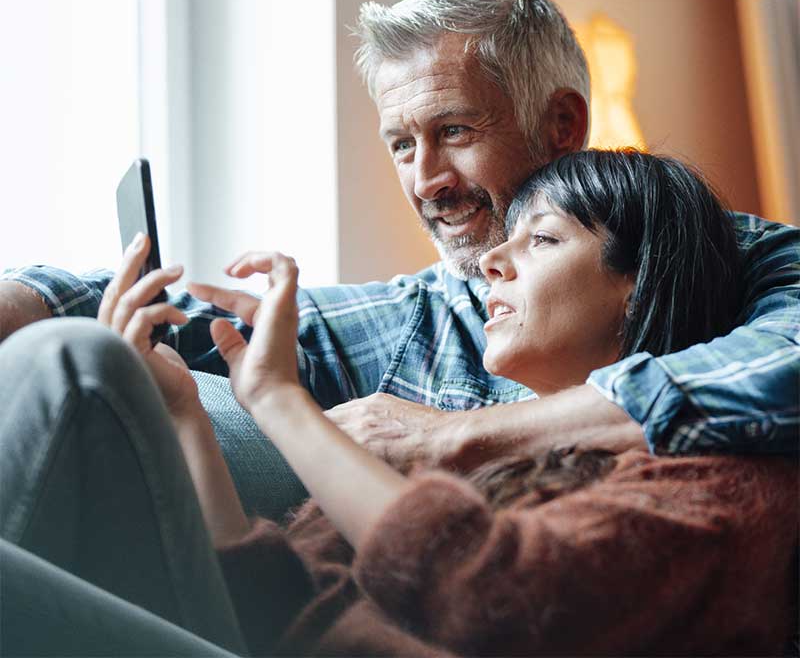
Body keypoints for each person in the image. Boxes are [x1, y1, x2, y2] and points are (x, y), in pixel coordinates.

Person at [0, 0, 798, 516]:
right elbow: (213, 319)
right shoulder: (426, 314)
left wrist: (448, 436)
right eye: (400, 145)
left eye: (453, 131)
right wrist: (36, 306)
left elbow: (776, 363)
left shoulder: (745, 263)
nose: (426, 180)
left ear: (561, 125)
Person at [1, 150, 796, 657]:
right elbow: (268, 610)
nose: (491, 263)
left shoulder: (718, 485)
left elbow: (494, 593)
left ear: (640, 284)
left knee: (71, 361)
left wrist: (281, 402)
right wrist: (182, 413)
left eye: (543, 241)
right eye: (399, 144)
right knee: (89, 360)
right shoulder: (479, 457)